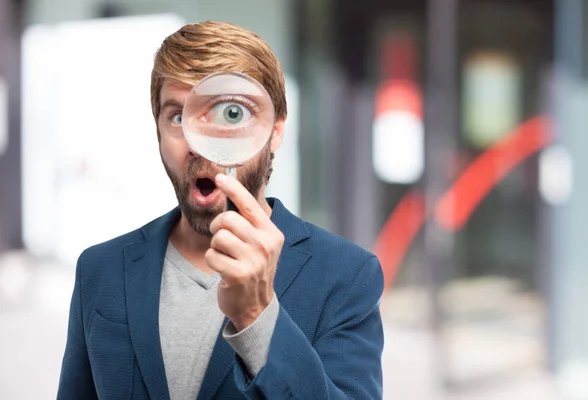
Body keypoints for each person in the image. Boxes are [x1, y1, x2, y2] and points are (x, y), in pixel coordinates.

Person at [57, 21, 384, 400]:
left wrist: (258, 317)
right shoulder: (101, 270)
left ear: (275, 130)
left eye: (231, 114)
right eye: (178, 117)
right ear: (158, 130)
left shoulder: (346, 276)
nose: (201, 144)